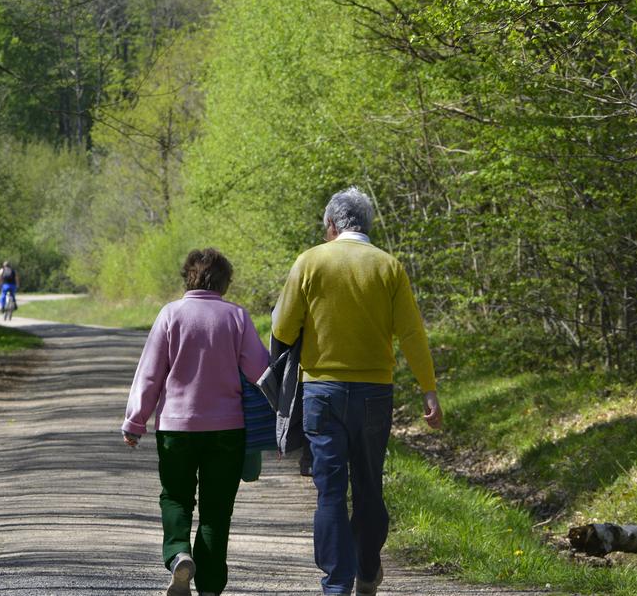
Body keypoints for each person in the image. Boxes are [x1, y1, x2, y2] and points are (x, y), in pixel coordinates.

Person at [272, 187, 442, 596]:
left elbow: (282, 329)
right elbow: (412, 334)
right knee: (368, 485)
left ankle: (336, 585)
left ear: (331, 226)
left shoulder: (310, 261)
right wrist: (428, 390)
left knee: (330, 491)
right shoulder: (389, 267)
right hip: (374, 394)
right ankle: (367, 570)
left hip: (322, 393)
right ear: (367, 225)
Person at [122, 248, 269, 596]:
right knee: (217, 511)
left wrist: (135, 421)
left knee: (175, 497)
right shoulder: (237, 317)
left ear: (188, 276)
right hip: (227, 430)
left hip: (177, 429)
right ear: (224, 281)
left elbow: (150, 374)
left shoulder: (171, 314)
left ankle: (178, 555)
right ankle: (211, 586)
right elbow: (260, 370)